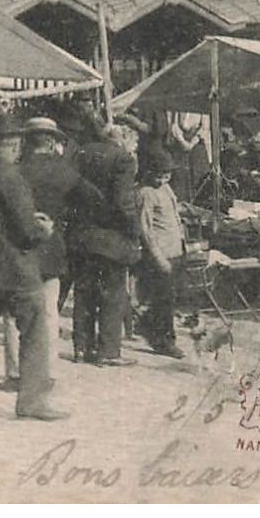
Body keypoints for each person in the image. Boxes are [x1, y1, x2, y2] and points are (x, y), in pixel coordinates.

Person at [0, 112, 65, 420]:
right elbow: (24, 228)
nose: (18, 147)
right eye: (15, 142)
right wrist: (43, 230)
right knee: (35, 330)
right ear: (9, 144)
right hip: (17, 268)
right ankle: (32, 401)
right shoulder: (11, 176)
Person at [1, 115, 93, 393]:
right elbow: (92, 199)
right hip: (52, 247)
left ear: (26, 142)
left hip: (17, 247)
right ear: (52, 142)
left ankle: (16, 373)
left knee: (12, 314)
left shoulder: (13, 171)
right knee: (49, 313)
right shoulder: (65, 172)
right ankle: (46, 373)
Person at [70, 109, 142, 366]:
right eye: (135, 141)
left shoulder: (81, 152)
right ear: (125, 137)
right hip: (111, 236)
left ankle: (81, 347)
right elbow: (123, 202)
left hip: (81, 234)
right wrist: (134, 229)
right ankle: (108, 351)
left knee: (84, 291)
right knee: (113, 293)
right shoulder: (123, 159)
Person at [136, 157, 186, 358]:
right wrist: (157, 257)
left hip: (175, 250)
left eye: (167, 174)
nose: (163, 178)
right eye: (159, 175)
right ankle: (164, 342)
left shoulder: (166, 189)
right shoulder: (146, 193)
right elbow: (145, 229)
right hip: (161, 254)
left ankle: (148, 328)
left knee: (169, 298)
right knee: (163, 300)